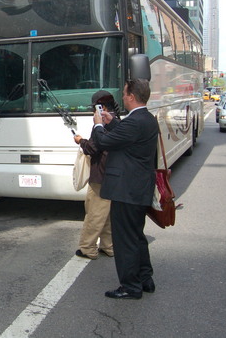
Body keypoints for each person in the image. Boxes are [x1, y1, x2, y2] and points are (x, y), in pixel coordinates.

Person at [91, 79, 158, 300]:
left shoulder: (134, 122)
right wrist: (111, 122)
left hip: (126, 189)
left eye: (125, 93)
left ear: (131, 96)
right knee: (136, 236)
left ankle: (130, 286)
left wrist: (98, 125)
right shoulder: (146, 118)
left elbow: (104, 142)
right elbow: (126, 136)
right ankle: (145, 278)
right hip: (139, 188)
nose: (122, 97)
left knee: (125, 240)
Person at [73, 91, 120, 260]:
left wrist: (80, 141)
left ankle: (88, 248)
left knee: (95, 213)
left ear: (102, 107)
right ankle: (109, 246)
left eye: (95, 108)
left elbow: (93, 147)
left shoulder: (102, 124)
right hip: (113, 175)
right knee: (106, 214)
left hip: (100, 174)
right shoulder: (117, 122)